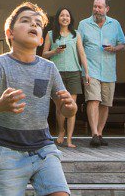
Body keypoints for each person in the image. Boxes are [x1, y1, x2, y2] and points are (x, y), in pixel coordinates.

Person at [0, 2, 78, 196]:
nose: (33, 25)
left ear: (42, 39)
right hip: (7, 150)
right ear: (10, 33)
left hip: (44, 148)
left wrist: (71, 107)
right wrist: (0, 104)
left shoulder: (49, 68)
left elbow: (64, 109)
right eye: (25, 21)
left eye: (38, 24)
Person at [76, 0, 125, 148]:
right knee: (93, 100)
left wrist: (114, 48)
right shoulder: (83, 24)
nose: (96, 10)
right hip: (91, 70)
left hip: (109, 71)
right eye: (94, 6)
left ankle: (100, 132)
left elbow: (122, 44)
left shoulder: (114, 24)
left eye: (99, 7)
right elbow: (79, 47)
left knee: (105, 103)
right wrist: (84, 69)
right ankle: (94, 134)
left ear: (107, 9)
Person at [40, 8, 89, 148]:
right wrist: (55, 51)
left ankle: (69, 139)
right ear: (58, 18)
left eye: (67, 15)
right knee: (60, 106)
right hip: (57, 73)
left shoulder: (76, 35)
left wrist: (86, 72)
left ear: (70, 19)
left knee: (71, 106)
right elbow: (44, 54)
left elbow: (82, 54)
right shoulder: (50, 34)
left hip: (74, 72)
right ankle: (61, 130)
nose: (65, 18)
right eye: (62, 15)